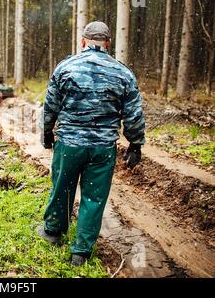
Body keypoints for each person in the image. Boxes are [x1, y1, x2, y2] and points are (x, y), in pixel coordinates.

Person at [37, 21, 146, 267]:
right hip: (102, 148)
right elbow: (133, 113)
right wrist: (136, 144)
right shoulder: (123, 73)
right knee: (94, 198)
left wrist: (46, 132)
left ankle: (53, 232)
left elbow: (50, 105)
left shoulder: (65, 67)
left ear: (83, 41)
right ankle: (81, 252)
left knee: (62, 187)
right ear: (108, 43)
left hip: (69, 145)